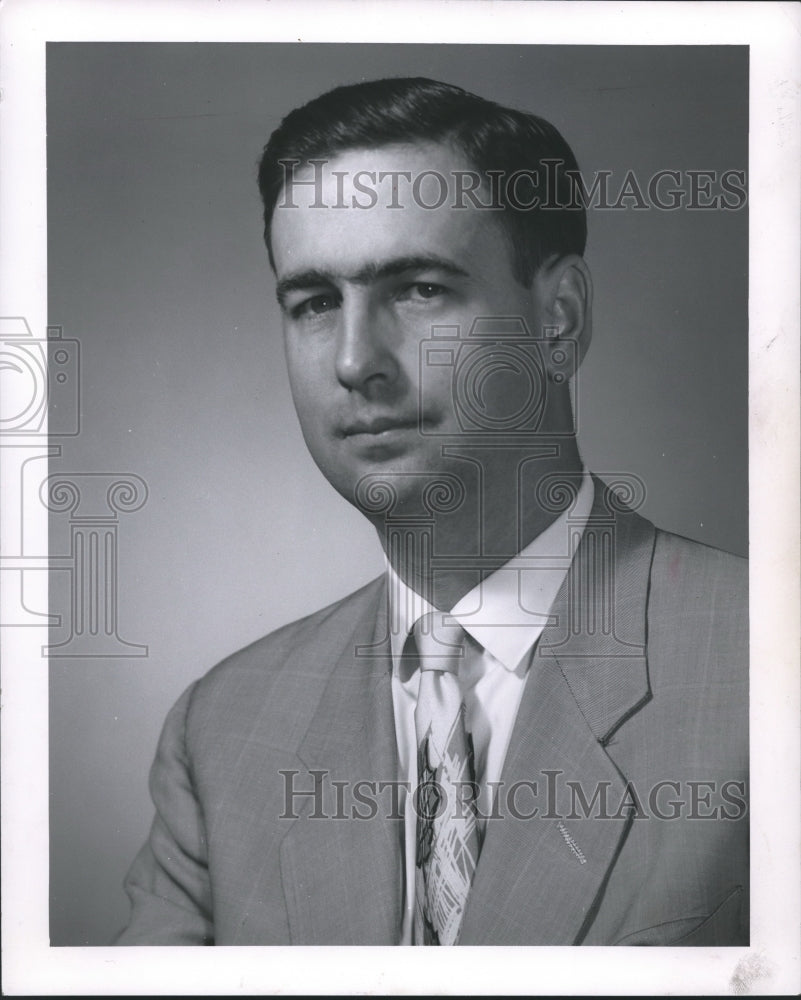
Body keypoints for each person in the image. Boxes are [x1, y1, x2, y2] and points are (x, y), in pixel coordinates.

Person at [116, 77, 748, 946]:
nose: (352, 360)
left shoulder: (768, 670)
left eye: (416, 289)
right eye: (313, 303)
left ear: (558, 319)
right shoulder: (223, 728)